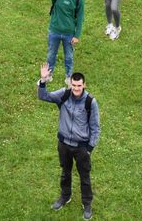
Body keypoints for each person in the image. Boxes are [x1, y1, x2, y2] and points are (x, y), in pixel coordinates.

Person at [37, 63, 100, 219]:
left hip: (81, 148)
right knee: (65, 173)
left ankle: (87, 204)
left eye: (79, 85)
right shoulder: (63, 95)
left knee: (84, 177)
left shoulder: (90, 102)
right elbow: (43, 96)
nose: (76, 88)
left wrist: (89, 148)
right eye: (74, 85)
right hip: (63, 144)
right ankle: (65, 197)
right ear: (70, 83)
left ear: (84, 84)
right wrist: (43, 80)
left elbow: (95, 127)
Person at [37, 0, 85, 84]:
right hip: (54, 31)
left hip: (69, 34)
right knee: (51, 55)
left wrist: (77, 35)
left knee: (69, 57)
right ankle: (48, 75)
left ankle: (69, 77)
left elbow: (80, 18)